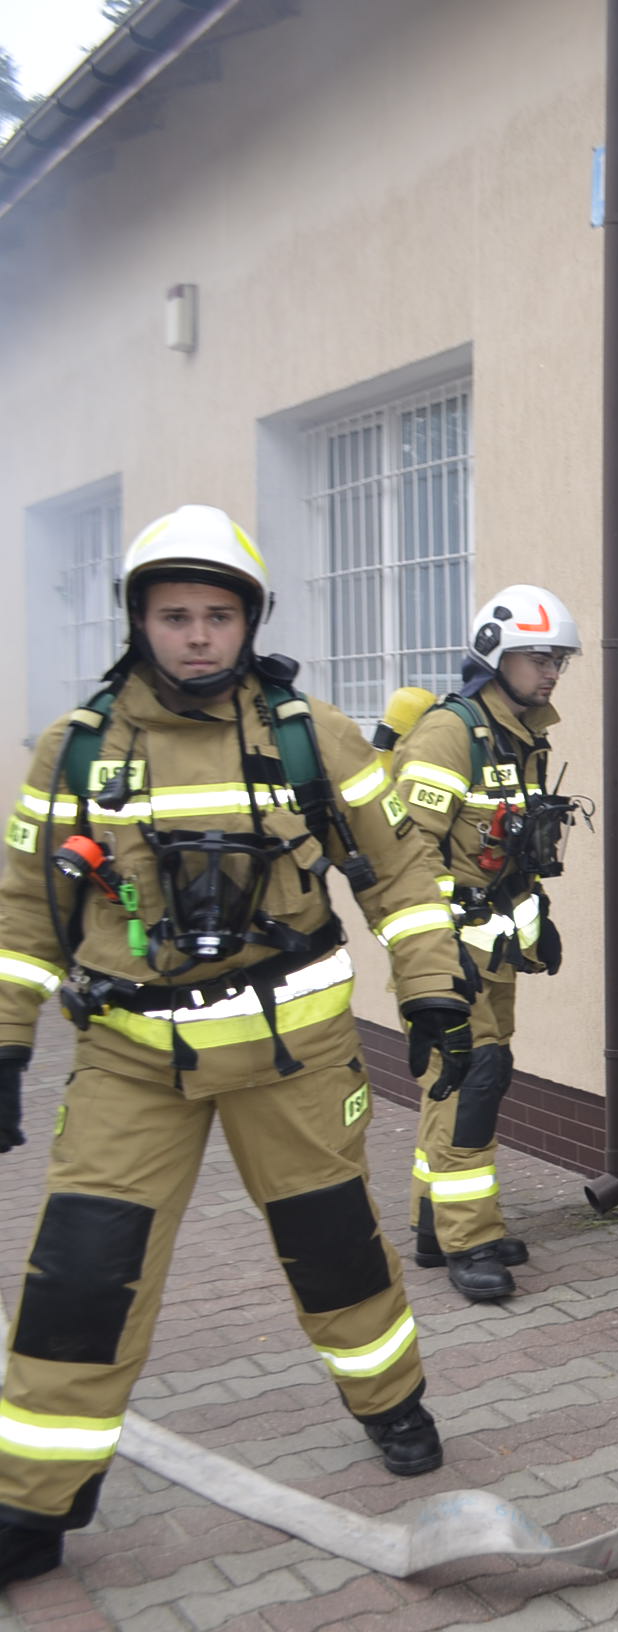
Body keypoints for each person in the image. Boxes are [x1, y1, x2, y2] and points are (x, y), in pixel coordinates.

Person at [0, 505, 473, 1585]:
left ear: (250, 621)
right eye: (175, 615)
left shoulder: (314, 736)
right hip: (128, 1063)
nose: (198, 636)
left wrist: (433, 995)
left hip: (291, 1059)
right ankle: (31, 1502)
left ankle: (393, 1405)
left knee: (334, 1246)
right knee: (82, 1272)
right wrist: (7, 1045)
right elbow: (25, 909)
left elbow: (401, 873)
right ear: (139, 620)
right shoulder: (75, 750)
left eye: (218, 615)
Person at [393, 585, 583, 1302]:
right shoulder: (451, 733)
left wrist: (538, 918)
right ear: (496, 656)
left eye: (559, 660)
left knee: (459, 1084)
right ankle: (468, 1239)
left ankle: (433, 1225)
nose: (552, 673)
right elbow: (407, 858)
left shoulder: (522, 736)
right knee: (469, 1081)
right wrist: (431, 959)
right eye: (539, 658)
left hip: (491, 957)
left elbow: (508, 853)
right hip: (445, 956)